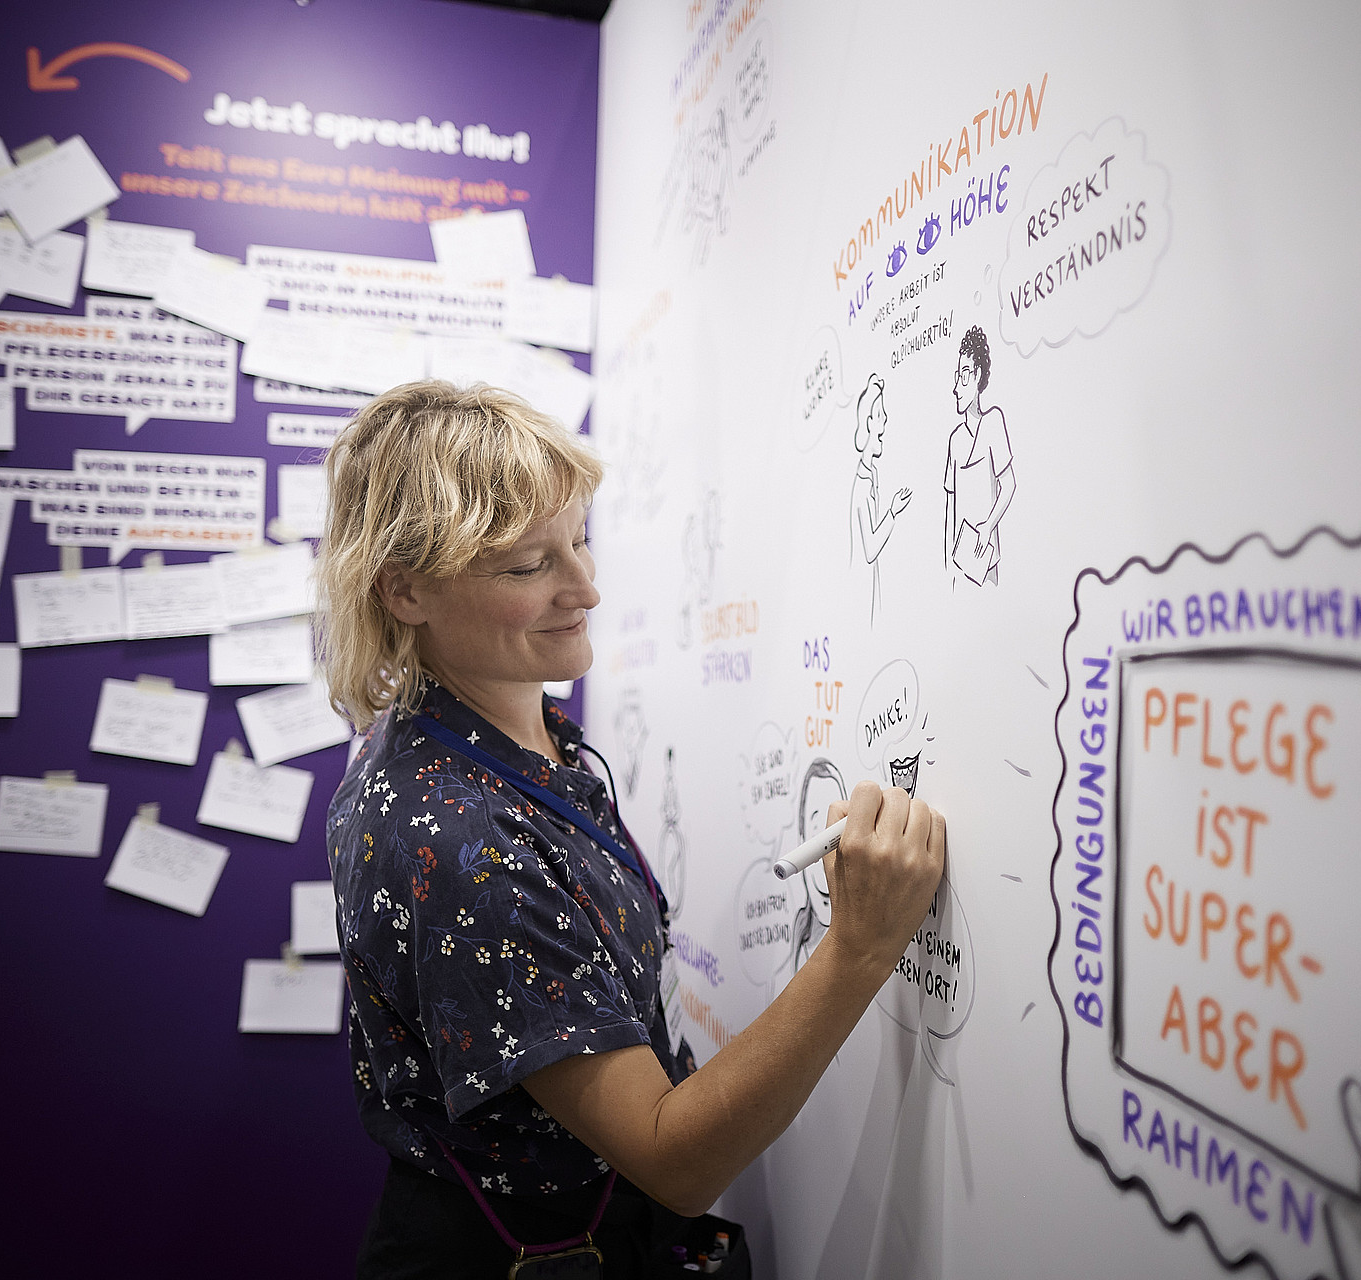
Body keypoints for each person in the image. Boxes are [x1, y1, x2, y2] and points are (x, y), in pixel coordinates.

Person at [316, 381, 947, 1278]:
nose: (586, 589)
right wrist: (859, 948)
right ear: (405, 590)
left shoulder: (498, 733)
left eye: (579, 540)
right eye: (527, 567)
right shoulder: (460, 840)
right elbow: (672, 1157)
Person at [942, 326, 1016, 586]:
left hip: (986, 560)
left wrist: (988, 526)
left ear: (978, 376)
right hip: (960, 563)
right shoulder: (955, 441)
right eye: (957, 377)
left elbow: (1009, 485)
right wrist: (948, 566)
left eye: (964, 376)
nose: (956, 388)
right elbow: (950, 508)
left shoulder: (993, 422)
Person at [849, 373, 911, 620]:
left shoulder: (872, 475)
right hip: (860, 601)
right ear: (868, 423)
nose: (885, 419)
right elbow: (870, 549)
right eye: (879, 415)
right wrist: (893, 512)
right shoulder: (862, 485)